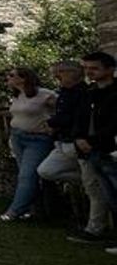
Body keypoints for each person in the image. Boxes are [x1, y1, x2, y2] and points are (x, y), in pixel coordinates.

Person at [37, 61, 109, 242]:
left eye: (60, 72)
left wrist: (53, 123)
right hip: (64, 143)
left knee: (94, 190)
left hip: (80, 144)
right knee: (46, 170)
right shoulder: (64, 92)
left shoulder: (85, 93)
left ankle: (94, 229)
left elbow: (77, 117)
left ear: (74, 73)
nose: (56, 76)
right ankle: (96, 182)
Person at [0, 67, 56, 221]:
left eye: (12, 75)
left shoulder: (45, 94)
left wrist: (52, 126)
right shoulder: (18, 95)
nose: (8, 77)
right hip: (18, 137)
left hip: (37, 139)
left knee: (27, 175)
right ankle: (36, 210)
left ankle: (14, 211)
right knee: (27, 175)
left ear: (24, 78)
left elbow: (62, 110)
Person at [76, 52, 117, 255]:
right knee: (111, 197)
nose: (89, 72)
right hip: (93, 151)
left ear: (110, 70)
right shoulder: (90, 92)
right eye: (86, 68)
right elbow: (81, 119)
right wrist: (79, 138)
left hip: (109, 149)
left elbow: (113, 125)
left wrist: (91, 141)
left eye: (94, 68)